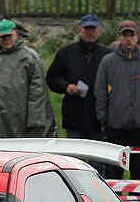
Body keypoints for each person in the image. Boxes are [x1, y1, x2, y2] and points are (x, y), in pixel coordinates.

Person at [94, 20, 140, 179]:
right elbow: (100, 92)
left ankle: (138, 196)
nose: (128, 39)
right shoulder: (108, 61)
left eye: (131, 35)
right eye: (125, 35)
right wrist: (103, 119)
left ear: (137, 37)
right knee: (114, 172)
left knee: (139, 171)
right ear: (119, 37)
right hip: (115, 126)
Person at [0, 19, 55, 139]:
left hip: (21, 118)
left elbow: (37, 93)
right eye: (3, 37)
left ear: (16, 33)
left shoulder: (29, 58)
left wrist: (36, 123)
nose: (7, 39)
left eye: (9, 36)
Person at [46, 13, 111, 142]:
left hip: (98, 118)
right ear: (79, 29)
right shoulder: (66, 53)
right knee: (75, 153)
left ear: (99, 30)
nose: (90, 32)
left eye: (93, 29)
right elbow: (52, 78)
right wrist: (66, 86)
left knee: (97, 154)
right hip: (74, 116)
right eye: (87, 29)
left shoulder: (108, 55)